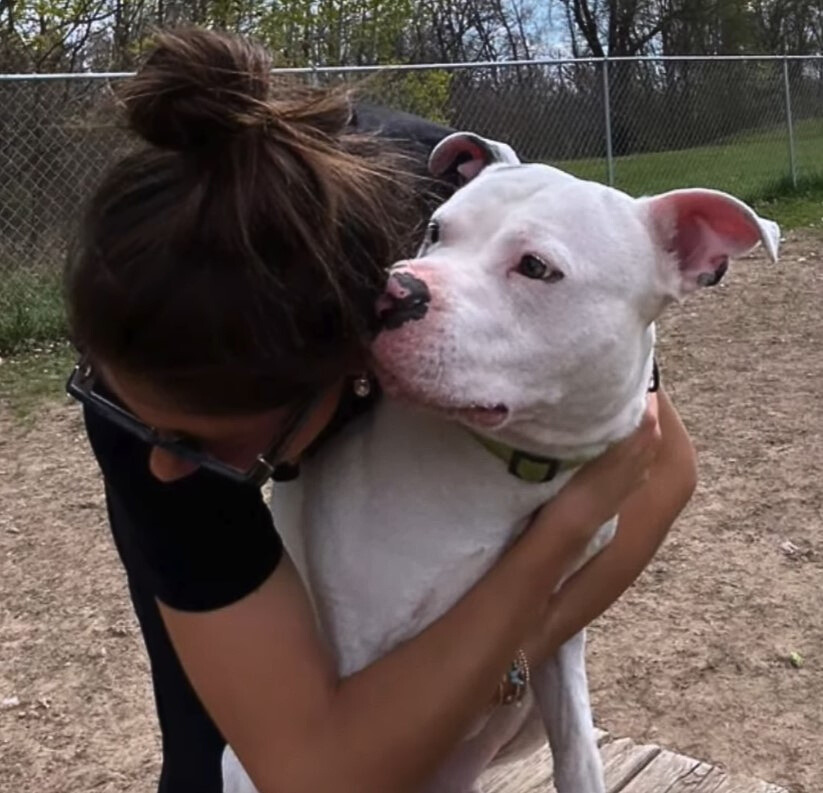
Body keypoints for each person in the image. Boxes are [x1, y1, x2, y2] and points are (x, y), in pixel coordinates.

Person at [63, 27, 697, 793]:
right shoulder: (149, 395)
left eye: (219, 447)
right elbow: (306, 768)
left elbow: (663, 472)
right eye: (171, 432)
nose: (172, 462)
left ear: (359, 362)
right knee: (211, 748)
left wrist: (503, 652)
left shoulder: (492, 221)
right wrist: (549, 554)